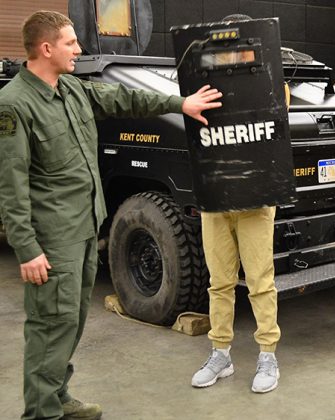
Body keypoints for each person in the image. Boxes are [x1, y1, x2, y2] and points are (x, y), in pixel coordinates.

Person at [0, 10, 221, 420]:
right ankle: (41, 411)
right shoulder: (14, 105)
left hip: (84, 228)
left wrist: (180, 103)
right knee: (49, 325)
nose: (78, 49)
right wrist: (27, 249)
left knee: (71, 320)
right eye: (70, 43)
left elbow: (127, 99)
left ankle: (59, 397)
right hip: (52, 236)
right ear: (46, 48)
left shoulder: (71, 88)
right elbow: (10, 187)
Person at [190, 12, 289, 395]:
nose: (230, 55)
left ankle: (267, 354)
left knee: (261, 282)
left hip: (255, 198)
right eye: (223, 48)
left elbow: (273, 128)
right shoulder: (201, 83)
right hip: (217, 198)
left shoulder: (269, 81)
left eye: (238, 47)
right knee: (219, 282)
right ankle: (221, 353)